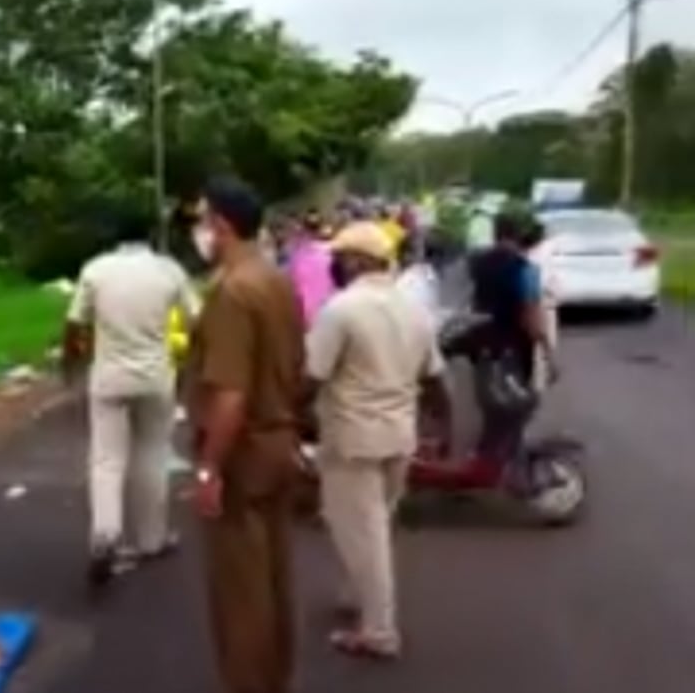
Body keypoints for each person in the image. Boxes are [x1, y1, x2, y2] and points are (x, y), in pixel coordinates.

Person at [306, 222, 452, 660]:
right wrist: (444, 428)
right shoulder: (413, 310)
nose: (333, 265)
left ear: (355, 261)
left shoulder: (341, 310)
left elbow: (311, 376)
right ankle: (356, 596)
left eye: (338, 258)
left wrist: (287, 419)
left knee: (362, 534)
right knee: (374, 526)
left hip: (352, 439)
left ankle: (378, 630)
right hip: (398, 437)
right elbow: (436, 381)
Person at [186, 177, 306, 693]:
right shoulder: (276, 280)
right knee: (274, 578)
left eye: (201, 219)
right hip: (280, 439)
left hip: (245, 450)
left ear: (222, 225)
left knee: (240, 595)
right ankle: (276, 679)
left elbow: (229, 394)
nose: (198, 230)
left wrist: (210, 467)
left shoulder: (232, 291)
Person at [63, 211, 199, 587]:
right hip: (156, 376)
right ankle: (152, 539)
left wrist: (69, 363)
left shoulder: (96, 270)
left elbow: (75, 324)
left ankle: (105, 536)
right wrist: (190, 365)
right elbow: (196, 320)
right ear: (152, 234)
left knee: (106, 459)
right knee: (152, 454)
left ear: (113, 236)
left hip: (109, 377)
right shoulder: (168, 270)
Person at [467, 212, 558, 455]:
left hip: (482, 343)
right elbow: (531, 317)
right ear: (518, 235)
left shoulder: (478, 263)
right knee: (519, 402)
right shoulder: (525, 269)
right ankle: (509, 459)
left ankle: (487, 454)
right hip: (513, 349)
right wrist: (549, 355)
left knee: (490, 399)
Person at [520, 219, 560, 393]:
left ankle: (536, 381)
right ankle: (538, 384)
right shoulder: (543, 253)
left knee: (537, 343)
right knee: (543, 342)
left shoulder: (525, 255)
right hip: (541, 301)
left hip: (533, 300)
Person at [286, 211, 336, 326]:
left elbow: (294, 288)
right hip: (331, 312)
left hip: (310, 317)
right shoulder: (333, 252)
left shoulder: (297, 257)